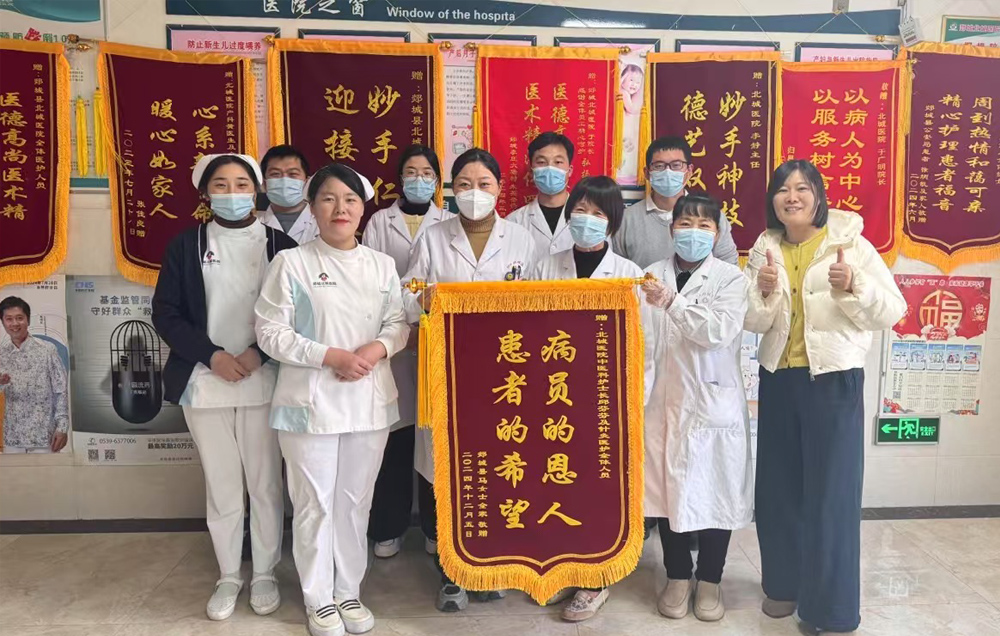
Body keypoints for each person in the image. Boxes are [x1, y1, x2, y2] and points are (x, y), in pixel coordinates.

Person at [744, 160, 905, 634]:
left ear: (818, 195)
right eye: (782, 189)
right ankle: (783, 586)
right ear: (773, 199)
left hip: (833, 381)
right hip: (779, 378)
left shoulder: (850, 244)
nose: (791, 197)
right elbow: (751, 321)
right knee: (777, 492)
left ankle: (830, 610)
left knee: (831, 497)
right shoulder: (765, 246)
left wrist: (854, 285)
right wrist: (764, 294)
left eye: (802, 188)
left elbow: (892, 310)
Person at [255, 163, 409, 636]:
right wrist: (330, 356)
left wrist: (377, 348)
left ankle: (348, 591)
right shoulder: (291, 263)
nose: (340, 208)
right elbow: (270, 333)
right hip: (310, 404)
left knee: (355, 502)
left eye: (350, 199)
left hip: (368, 402)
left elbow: (398, 324)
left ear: (363, 210)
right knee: (314, 504)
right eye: (328, 198)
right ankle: (319, 598)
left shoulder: (381, 265)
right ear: (313, 207)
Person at [152, 153, 296, 622]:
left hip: (264, 378)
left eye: (241, 184)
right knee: (221, 484)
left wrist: (258, 354)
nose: (232, 193)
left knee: (265, 483)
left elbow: (299, 313)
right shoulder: (186, 245)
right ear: (205, 193)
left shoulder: (281, 245)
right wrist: (211, 355)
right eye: (221, 185)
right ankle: (229, 574)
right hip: (205, 380)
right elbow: (166, 313)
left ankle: (265, 572)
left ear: (256, 190)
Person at [403, 148, 535, 612]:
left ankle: (488, 567)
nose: (473, 193)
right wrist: (424, 299)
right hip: (446, 370)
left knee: (496, 468)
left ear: (499, 189)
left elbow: (541, 304)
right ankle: (451, 572)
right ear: (450, 190)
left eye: (483, 184)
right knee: (447, 470)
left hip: (505, 375)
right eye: (463, 184)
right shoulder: (433, 237)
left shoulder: (521, 240)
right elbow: (405, 296)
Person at [531, 176, 642, 622]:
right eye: (580, 210)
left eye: (598, 214)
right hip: (554, 396)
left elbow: (642, 345)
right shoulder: (545, 266)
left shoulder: (629, 275)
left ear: (612, 222)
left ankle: (595, 579)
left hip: (604, 400)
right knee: (557, 481)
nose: (587, 220)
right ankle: (563, 568)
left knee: (598, 488)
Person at [640, 194, 753, 622]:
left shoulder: (730, 279)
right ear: (671, 229)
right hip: (660, 403)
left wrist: (672, 302)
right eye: (685, 223)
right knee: (666, 494)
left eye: (704, 225)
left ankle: (710, 580)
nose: (693, 232)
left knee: (715, 491)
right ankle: (677, 577)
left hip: (711, 404)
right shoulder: (649, 275)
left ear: (717, 233)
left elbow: (718, 331)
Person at [362, 144, 448, 560]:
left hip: (439, 346)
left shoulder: (448, 222)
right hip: (393, 344)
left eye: (427, 172)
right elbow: (370, 283)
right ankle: (388, 527)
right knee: (394, 442)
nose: (419, 179)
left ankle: (434, 528)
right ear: (399, 178)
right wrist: (401, 327)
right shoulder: (380, 221)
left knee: (434, 444)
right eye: (411, 172)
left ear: (438, 179)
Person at [613, 136, 738, 269]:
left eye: (676, 165)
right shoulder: (625, 219)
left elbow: (729, 268)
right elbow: (617, 271)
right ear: (647, 173)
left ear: (689, 171)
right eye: (659, 166)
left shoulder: (712, 216)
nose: (668, 172)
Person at [0, 296, 68, 453]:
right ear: (3, 322)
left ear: (28, 320)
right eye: (9, 319)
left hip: (45, 437)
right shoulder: (2, 353)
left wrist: (62, 427)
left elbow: (60, 390)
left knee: (46, 471)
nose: (14, 323)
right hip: (13, 438)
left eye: (19, 318)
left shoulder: (47, 350)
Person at [506, 132, 576, 261]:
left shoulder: (587, 220)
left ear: (569, 170)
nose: (550, 168)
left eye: (558, 162)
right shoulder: (513, 222)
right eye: (541, 162)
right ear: (531, 170)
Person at [258, 144, 319, 244]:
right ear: (265, 184)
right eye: (275, 174)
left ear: (306, 182)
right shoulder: (254, 225)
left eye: (293, 174)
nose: (284, 180)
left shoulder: (322, 222)